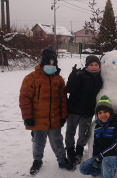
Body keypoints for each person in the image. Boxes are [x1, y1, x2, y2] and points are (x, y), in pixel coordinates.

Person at [19, 45, 75, 175]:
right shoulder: (31, 78)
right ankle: (37, 160)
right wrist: (27, 117)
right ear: (42, 64)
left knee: (57, 141)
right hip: (37, 120)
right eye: (49, 64)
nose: (51, 67)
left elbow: (63, 99)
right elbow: (24, 98)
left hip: (54, 119)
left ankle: (62, 159)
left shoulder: (58, 79)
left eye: (53, 64)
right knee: (38, 142)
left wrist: (63, 116)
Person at [79, 95, 117, 178]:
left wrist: (100, 157)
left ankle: (107, 169)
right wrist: (95, 160)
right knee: (83, 168)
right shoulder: (98, 127)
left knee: (107, 162)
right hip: (103, 157)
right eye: (100, 113)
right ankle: (106, 170)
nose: (103, 115)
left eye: (105, 112)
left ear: (110, 112)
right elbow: (96, 145)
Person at [65, 55, 103, 165]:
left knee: (84, 133)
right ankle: (70, 150)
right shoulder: (80, 75)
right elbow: (69, 88)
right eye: (91, 65)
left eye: (96, 65)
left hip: (88, 112)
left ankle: (79, 150)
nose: (94, 67)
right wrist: (73, 75)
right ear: (86, 66)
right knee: (70, 132)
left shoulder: (100, 78)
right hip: (74, 110)